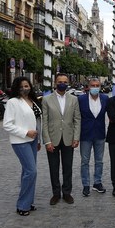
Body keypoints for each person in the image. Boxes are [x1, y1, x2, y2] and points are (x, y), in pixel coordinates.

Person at [3, 76, 41, 216]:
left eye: (26, 86)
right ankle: (22, 205)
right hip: (20, 141)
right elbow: (7, 125)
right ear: (16, 88)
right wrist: (26, 132)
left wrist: (38, 140)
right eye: (21, 87)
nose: (24, 89)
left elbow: (37, 121)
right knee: (31, 171)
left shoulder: (33, 101)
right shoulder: (13, 102)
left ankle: (28, 203)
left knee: (28, 172)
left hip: (32, 141)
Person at [42, 73, 81, 205]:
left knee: (68, 167)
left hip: (69, 139)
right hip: (52, 139)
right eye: (59, 81)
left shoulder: (73, 99)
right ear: (55, 83)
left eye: (65, 81)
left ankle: (67, 193)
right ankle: (56, 193)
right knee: (54, 168)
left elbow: (77, 120)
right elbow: (45, 122)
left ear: (68, 83)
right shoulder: (47, 99)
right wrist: (47, 141)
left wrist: (76, 137)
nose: (62, 84)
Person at [77, 78, 109, 197]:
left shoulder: (105, 98)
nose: (95, 87)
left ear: (100, 87)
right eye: (93, 85)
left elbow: (110, 112)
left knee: (99, 161)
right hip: (85, 134)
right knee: (85, 161)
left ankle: (97, 182)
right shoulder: (81, 99)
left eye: (97, 85)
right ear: (88, 87)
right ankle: (86, 185)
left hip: (100, 133)